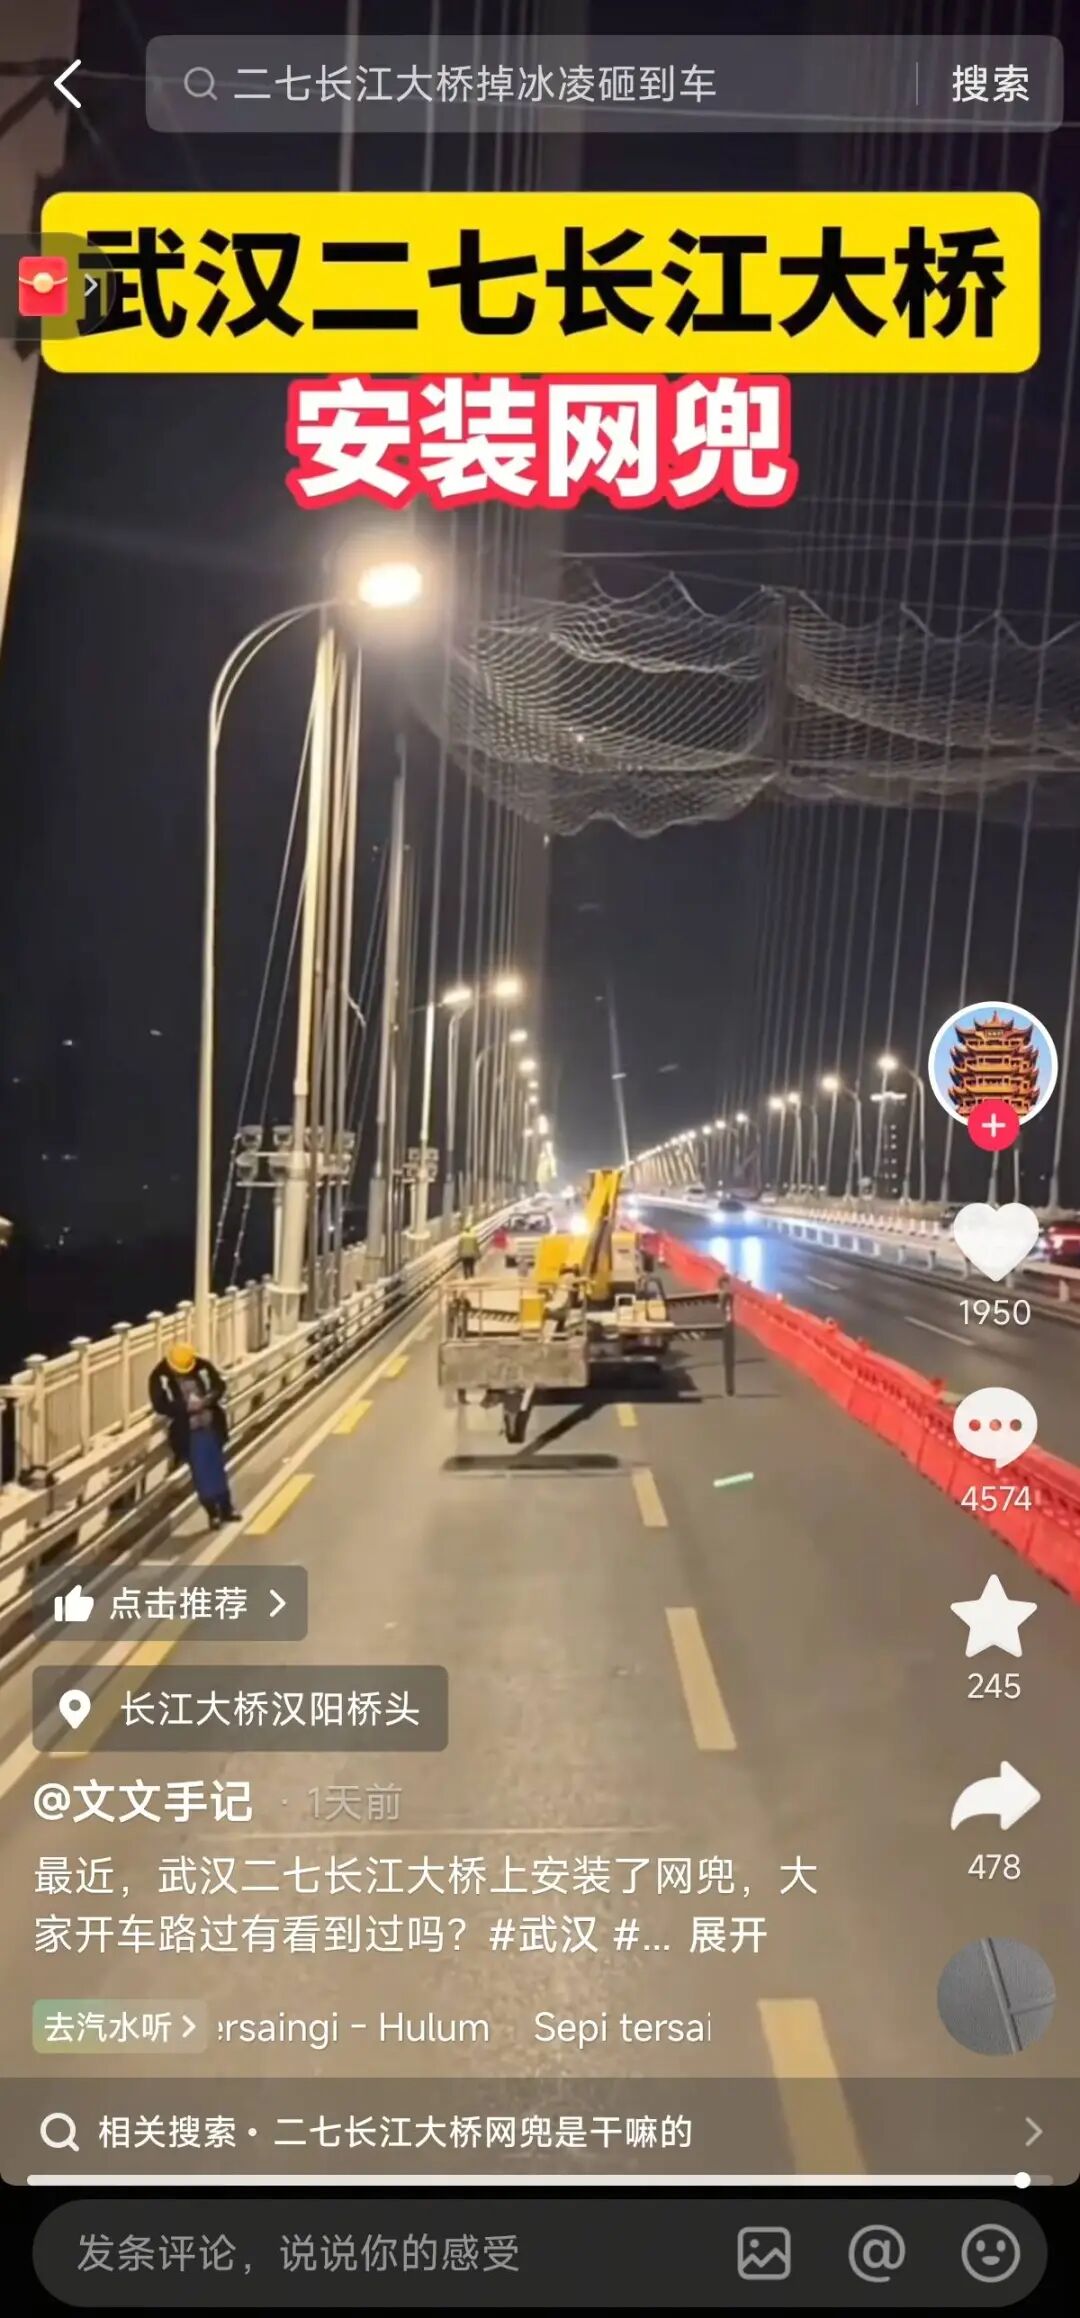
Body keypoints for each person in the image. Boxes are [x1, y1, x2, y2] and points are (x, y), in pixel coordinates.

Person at [149, 1343, 239, 1529]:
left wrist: (207, 1400)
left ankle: (226, 1508)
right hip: (188, 1433)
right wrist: (185, 1407)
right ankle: (212, 1513)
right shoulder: (160, 1376)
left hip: (211, 1426)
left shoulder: (202, 1367)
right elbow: (160, 1405)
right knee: (201, 1475)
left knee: (218, 1469)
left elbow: (218, 1386)